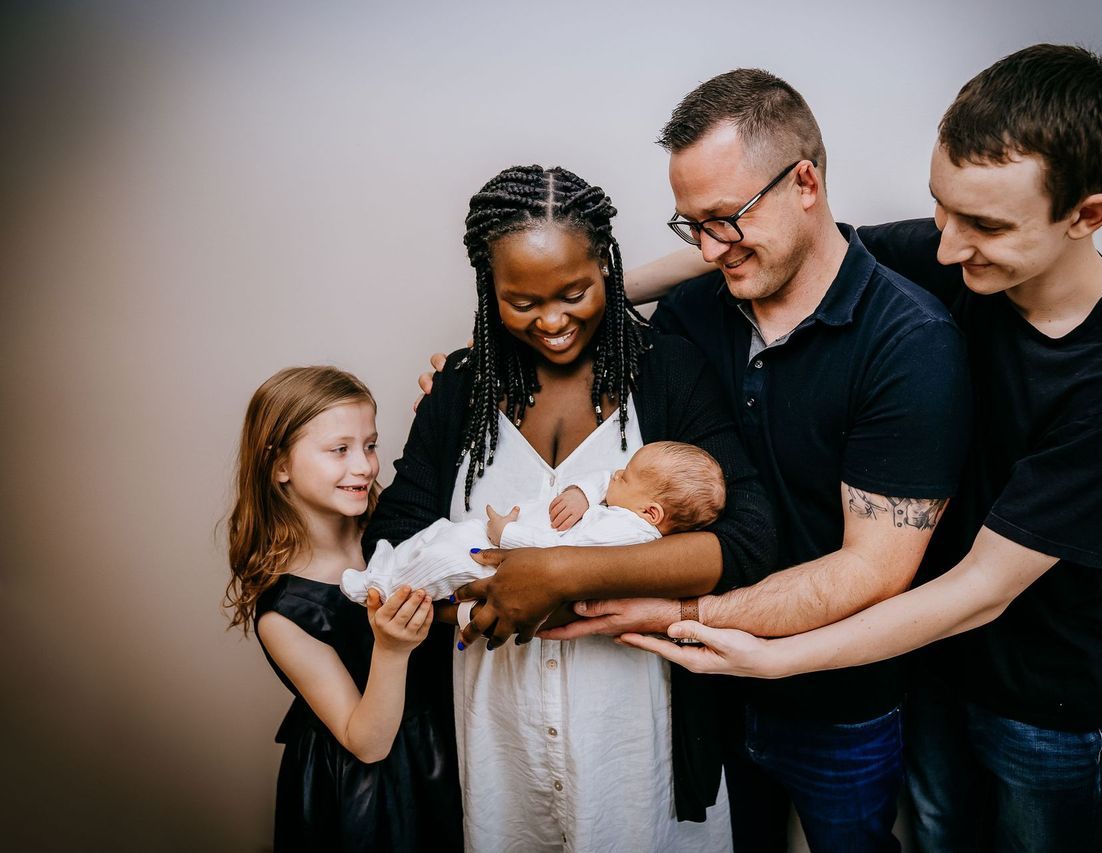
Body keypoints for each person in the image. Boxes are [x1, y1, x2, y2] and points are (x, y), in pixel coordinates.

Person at [609, 45, 1102, 853]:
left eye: (983, 225)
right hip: (926, 664)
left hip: (1041, 692)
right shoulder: (954, 252)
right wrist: (589, 295)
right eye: (941, 209)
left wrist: (775, 657)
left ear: (1086, 215)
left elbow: (984, 588)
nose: (947, 246)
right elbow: (789, 243)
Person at [537, 70, 973, 852]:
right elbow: (575, 369)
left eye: (725, 218)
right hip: (702, 697)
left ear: (805, 182)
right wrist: (472, 370)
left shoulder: (909, 344)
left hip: (841, 705)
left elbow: (871, 569)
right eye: (690, 226)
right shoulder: (696, 309)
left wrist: (685, 618)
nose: (708, 248)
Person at [363, 164, 776, 852]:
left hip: (645, 762)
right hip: (498, 760)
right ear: (487, 291)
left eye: (576, 292)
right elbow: (393, 540)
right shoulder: (461, 391)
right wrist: (482, 602)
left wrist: (562, 577)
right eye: (521, 301)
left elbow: (750, 539)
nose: (552, 321)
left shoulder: (670, 371)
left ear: (609, 272)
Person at [224, 365, 463, 852]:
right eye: (340, 450)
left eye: (370, 445)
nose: (365, 466)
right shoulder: (284, 613)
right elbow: (366, 742)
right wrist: (392, 651)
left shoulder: (395, 529)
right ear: (279, 465)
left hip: (447, 741)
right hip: (370, 794)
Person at [341, 440, 726, 604]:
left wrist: (506, 533)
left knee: (444, 560)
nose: (615, 475)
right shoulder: (631, 505)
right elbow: (605, 478)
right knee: (442, 533)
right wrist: (582, 492)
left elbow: (559, 556)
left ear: (651, 514)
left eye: (626, 476)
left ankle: (383, 589)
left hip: (503, 556)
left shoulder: (626, 533)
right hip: (497, 541)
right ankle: (388, 565)